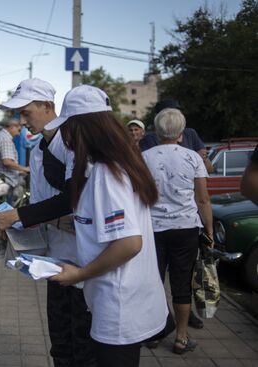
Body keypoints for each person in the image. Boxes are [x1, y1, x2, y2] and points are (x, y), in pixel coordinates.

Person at [49, 86, 169, 367]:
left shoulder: (106, 173)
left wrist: (79, 274)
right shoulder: (122, 163)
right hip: (127, 300)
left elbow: (129, 243)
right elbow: (102, 226)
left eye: (66, 128)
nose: (64, 137)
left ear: (79, 129)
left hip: (118, 306)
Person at [0, 79, 95, 366]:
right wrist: (15, 226)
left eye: (27, 113)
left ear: (48, 106)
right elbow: (41, 206)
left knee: (83, 344)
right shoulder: (38, 150)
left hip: (84, 261)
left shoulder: (71, 142)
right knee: (60, 342)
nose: (22, 121)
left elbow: (75, 196)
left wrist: (19, 216)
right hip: (55, 259)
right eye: (19, 116)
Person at [142, 108, 214, 354]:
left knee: (154, 281)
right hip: (185, 228)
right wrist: (210, 231)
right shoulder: (193, 158)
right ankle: (181, 338)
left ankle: (153, 333)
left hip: (153, 228)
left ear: (156, 131)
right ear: (181, 134)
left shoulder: (144, 157)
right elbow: (203, 199)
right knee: (182, 284)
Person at [139, 99, 213, 174]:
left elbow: (209, 169)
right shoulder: (149, 139)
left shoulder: (190, 133)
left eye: (177, 113)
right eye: (169, 114)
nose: (173, 117)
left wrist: (203, 159)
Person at [0, 118, 29, 203]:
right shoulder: (5, 139)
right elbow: (7, 162)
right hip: (5, 181)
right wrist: (24, 169)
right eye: (19, 129)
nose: (19, 133)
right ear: (12, 127)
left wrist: (19, 171)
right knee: (5, 213)